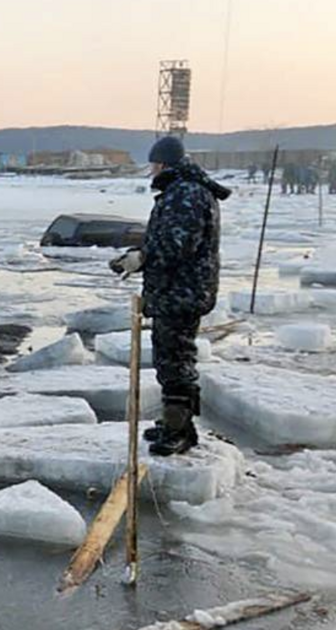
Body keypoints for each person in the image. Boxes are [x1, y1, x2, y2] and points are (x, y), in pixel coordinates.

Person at [110, 136, 228, 456]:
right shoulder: (180, 191)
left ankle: (179, 431)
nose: (151, 170)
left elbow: (177, 245)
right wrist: (142, 255)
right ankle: (176, 423)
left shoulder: (186, 193)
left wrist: (141, 257)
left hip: (182, 291)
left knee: (176, 359)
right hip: (176, 290)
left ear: (163, 163)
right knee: (170, 356)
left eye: (153, 164)